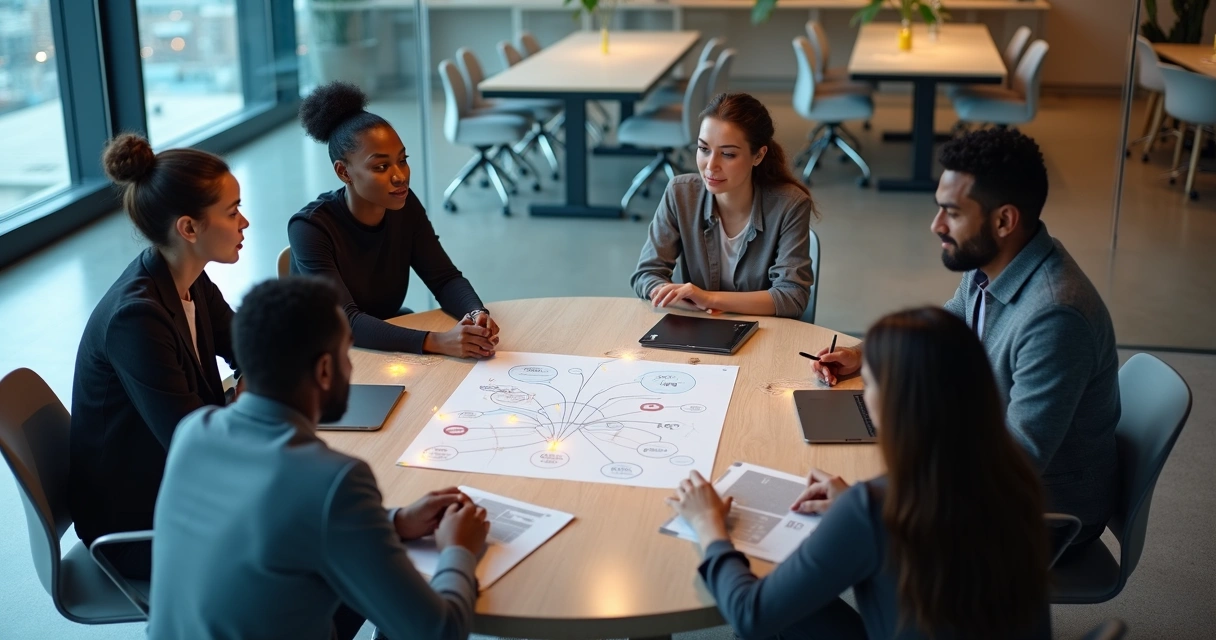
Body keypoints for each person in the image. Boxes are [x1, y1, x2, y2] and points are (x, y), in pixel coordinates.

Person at [809, 129, 1120, 552]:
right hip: (980, 457)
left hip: (1038, 515)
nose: (935, 225)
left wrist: (876, 502)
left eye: (951, 213)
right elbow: (950, 322)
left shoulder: (1054, 316)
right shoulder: (999, 261)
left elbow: (1016, 464)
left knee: (846, 532)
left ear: (1004, 220)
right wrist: (862, 356)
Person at [669, 307, 1051, 640]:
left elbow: (750, 614)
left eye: (870, 385)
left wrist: (709, 528)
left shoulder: (872, 508)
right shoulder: (1012, 477)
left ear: (897, 406)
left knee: (775, 600)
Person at [147, 277, 489, 640]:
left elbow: (277, 525)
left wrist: (392, 521)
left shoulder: (193, 432)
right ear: (325, 370)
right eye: (346, 354)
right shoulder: (334, 480)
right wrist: (458, 549)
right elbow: (438, 632)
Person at [69, 133, 248, 580]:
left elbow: (249, 347)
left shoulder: (188, 278)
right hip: (140, 527)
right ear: (189, 228)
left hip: (179, 489)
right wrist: (254, 396)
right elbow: (194, 443)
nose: (244, 222)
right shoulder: (137, 318)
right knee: (316, 544)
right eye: (231, 212)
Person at [290, 81, 499, 358]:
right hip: (322, 355)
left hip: (382, 342)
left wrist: (475, 313)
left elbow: (444, 278)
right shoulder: (310, 228)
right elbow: (347, 321)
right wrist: (439, 342)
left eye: (402, 160)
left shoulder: (403, 205)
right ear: (344, 172)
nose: (400, 176)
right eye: (381, 166)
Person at [631, 92, 816, 318]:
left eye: (728, 154)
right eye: (703, 149)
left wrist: (708, 298)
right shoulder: (680, 193)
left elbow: (792, 296)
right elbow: (647, 274)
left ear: (758, 156)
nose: (711, 166)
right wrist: (670, 295)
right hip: (695, 329)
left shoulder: (790, 205)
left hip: (764, 332)